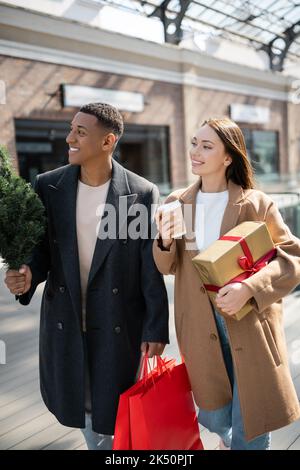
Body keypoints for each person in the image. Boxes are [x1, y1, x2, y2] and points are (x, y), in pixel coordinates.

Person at [4, 102, 169, 450]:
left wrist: (156, 326)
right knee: (86, 408)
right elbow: (41, 252)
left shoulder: (139, 193)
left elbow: (148, 267)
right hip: (66, 319)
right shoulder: (49, 187)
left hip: (118, 321)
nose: (70, 138)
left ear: (108, 141)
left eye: (80, 132)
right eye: (71, 129)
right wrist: (27, 273)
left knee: (111, 407)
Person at [153, 117, 300, 450]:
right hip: (198, 321)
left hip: (249, 319)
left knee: (252, 416)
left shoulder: (255, 203)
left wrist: (249, 288)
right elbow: (167, 265)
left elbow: (292, 257)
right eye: (194, 143)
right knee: (214, 415)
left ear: (228, 157)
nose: (195, 152)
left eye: (206, 146)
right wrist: (162, 238)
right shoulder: (177, 202)